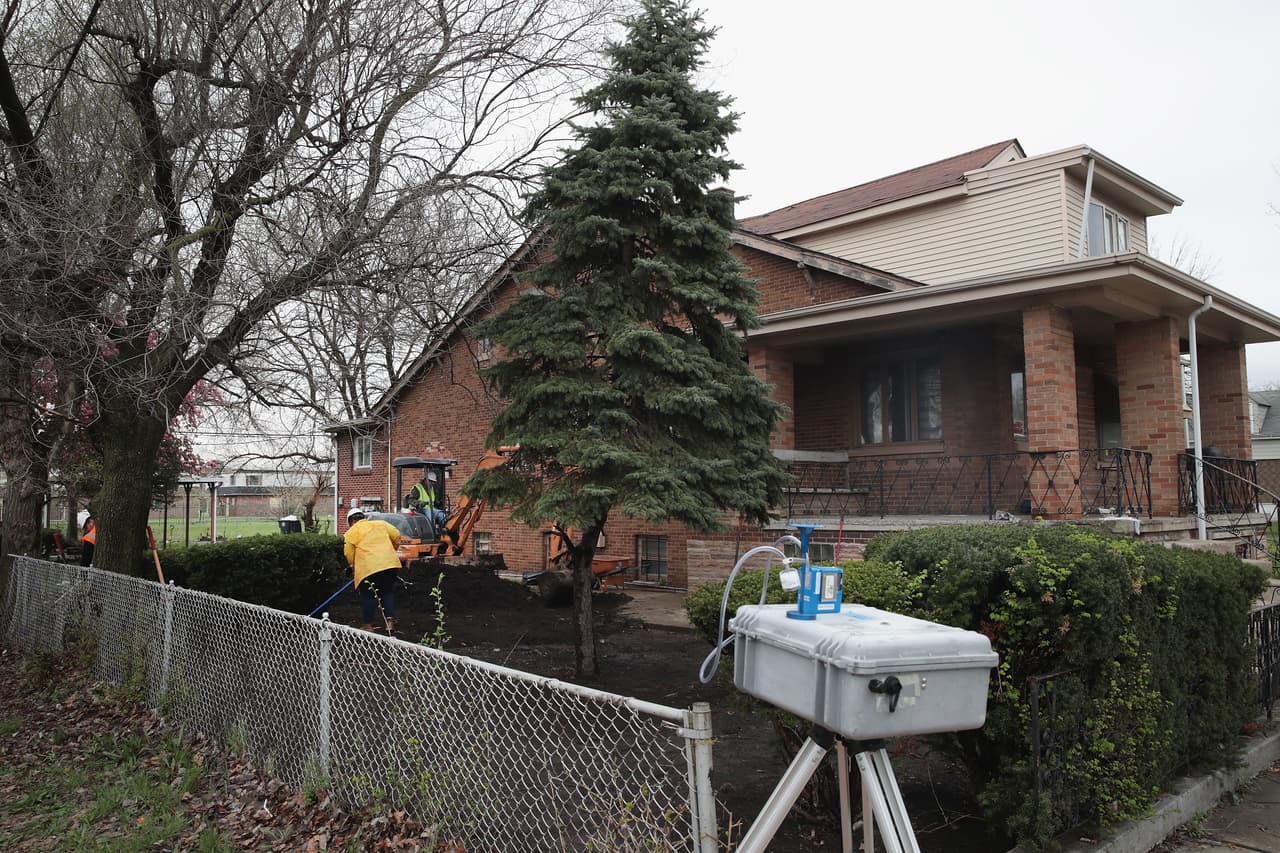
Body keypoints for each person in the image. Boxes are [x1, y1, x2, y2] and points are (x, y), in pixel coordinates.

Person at [342, 506, 402, 635]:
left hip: (368, 568)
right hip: (390, 564)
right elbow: (397, 535)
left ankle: (368, 625)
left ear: (351, 521)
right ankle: (389, 623)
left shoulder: (352, 532)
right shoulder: (381, 524)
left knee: (368, 595)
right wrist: (392, 549)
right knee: (387, 592)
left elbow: (348, 553)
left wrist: (353, 566)